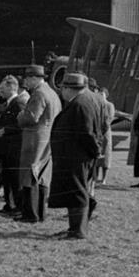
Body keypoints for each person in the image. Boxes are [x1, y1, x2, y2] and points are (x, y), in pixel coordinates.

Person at [48, 73, 102, 240]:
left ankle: (78, 230)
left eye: (63, 88)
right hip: (75, 156)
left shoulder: (80, 104)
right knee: (76, 191)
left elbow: (86, 133)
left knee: (77, 192)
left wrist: (94, 152)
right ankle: (74, 228)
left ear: (67, 89)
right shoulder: (82, 101)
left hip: (77, 157)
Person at [15, 65, 61, 224]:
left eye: (27, 78)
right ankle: (40, 213)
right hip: (47, 138)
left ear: (35, 78)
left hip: (35, 139)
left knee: (30, 175)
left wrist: (20, 115)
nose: (26, 81)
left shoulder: (39, 94)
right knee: (42, 176)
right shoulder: (52, 93)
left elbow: (31, 117)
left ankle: (30, 215)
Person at [0, 75, 25, 214]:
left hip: (14, 147)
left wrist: (6, 129)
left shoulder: (18, 103)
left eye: (3, 88)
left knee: (14, 178)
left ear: (12, 88)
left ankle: (17, 206)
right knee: (7, 177)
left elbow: (21, 125)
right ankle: (9, 204)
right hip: (7, 147)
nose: (0, 91)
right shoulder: (9, 103)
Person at [95, 86, 115, 185]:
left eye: (102, 94)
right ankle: (95, 177)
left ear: (106, 95)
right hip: (97, 132)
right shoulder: (96, 105)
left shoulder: (110, 105)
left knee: (106, 155)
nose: (100, 96)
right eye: (99, 94)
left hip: (106, 132)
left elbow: (110, 119)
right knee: (97, 155)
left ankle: (104, 178)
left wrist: (102, 128)